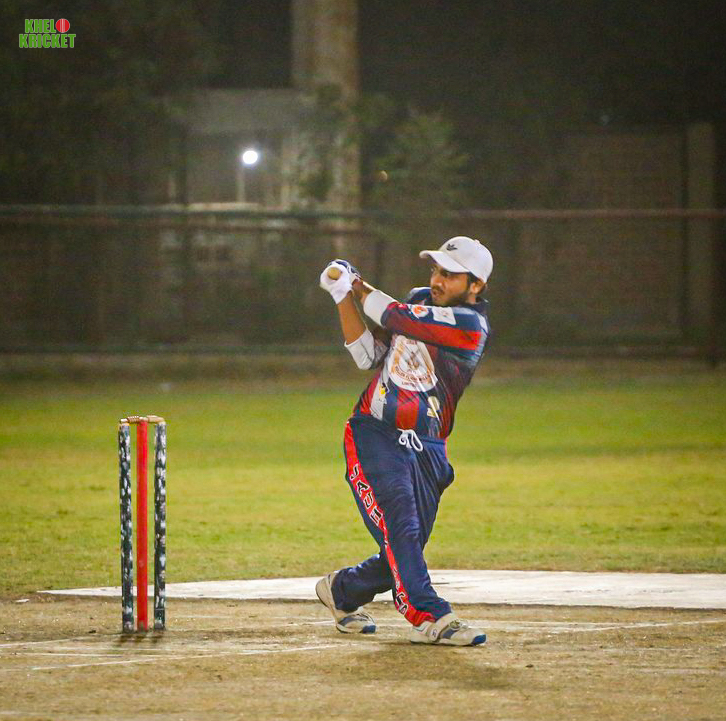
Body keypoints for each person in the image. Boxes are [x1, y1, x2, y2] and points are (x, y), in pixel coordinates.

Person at [316, 235, 492, 646]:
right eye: (436, 270)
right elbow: (369, 356)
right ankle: (431, 615)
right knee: (402, 527)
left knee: (402, 544)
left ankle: (342, 590)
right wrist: (342, 297)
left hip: (429, 446)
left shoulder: (470, 325)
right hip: (376, 431)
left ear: (477, 285)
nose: (437, 280)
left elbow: (393, 314)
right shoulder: (418, 300)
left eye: (450, 275)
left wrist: (355, 284)